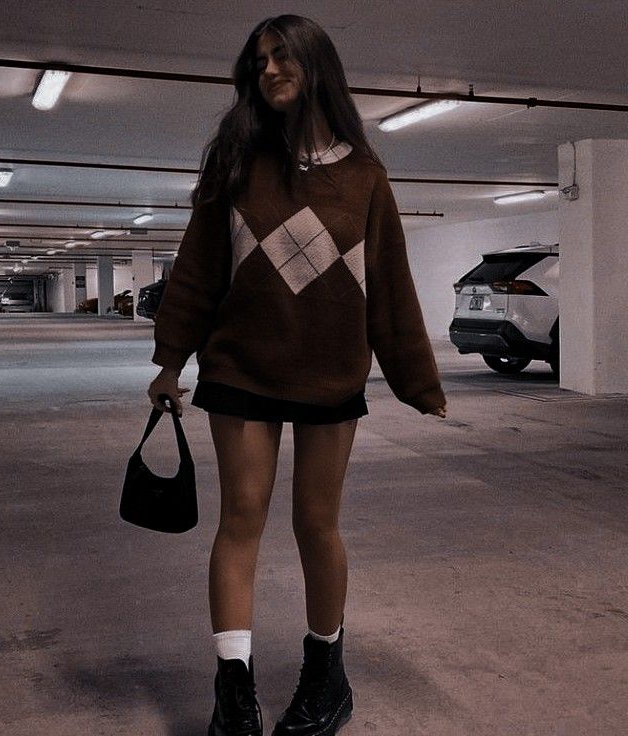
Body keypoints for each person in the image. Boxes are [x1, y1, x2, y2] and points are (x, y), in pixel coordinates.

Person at [148, 14, 447, 736]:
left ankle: (326, 675)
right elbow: (196, 271)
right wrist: (170, 359)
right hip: (241, 371)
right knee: (240, 522)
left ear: (318, 67)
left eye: (283, 57)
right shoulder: (237, 164)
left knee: (317, 524)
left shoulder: (366, 178)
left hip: (330, 379)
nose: (270, 71)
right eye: (259, 62)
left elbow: (391, 284)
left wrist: (417, 379)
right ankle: (234, 692)